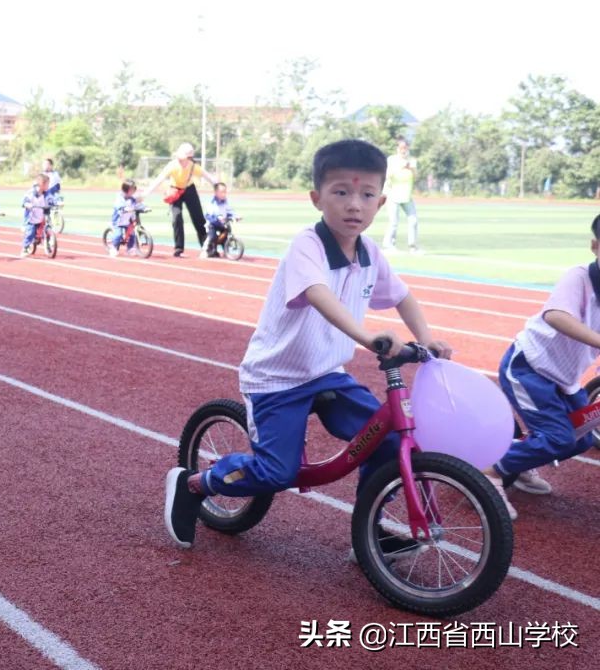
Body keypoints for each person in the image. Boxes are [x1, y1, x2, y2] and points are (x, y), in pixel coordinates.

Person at [163, 139, 453, 552]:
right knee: (277, 472)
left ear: (382, 201)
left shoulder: (370, 252)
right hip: (278, 378)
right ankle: (196, 483)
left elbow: (402, 295)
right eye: (341, 192)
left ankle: (368, 531)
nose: (354, 204)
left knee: (387, 439)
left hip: (327, 373)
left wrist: (426, 339)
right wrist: (368, 337)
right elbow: (319, 293)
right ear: (317, 198)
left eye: (367, 195)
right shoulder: (308, 246)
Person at [487, 214, 600, 519]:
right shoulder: (580, 278)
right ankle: (490, 472)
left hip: (565, 378)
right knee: (558, 437)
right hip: (529, 367)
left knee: (582, 436)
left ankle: (518, 461)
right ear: (595, 246)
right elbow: (555, 316)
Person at [143, 142, 219, 257]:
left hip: (189, 190)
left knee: (198, 218)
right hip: (175, 191)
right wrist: (145, 194)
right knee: (176, 216)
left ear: (189, 158)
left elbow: (209, 177)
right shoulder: (172, 165)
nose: (180, 160)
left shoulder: (193, 167)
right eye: (179, 157)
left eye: (182, 158)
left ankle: (207, 246)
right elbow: (159, 179)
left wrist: (219, 187)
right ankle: (179, 247)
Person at [382, 138, 420, 254]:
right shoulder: (392, 160)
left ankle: (412, 245)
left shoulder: (412, 160)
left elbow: (416, 177)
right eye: (401, 148)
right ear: (398, 148)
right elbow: (387, 175)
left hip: (406, 195)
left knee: (413, 220)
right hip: (393, 194)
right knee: (394, 222)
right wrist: (400, 167)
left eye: (405, 148)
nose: (403, 150)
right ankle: (388, 244)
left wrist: (411, 169)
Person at [107, 179, 145, 257]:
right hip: (119, 221)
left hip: (128, 220)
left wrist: (144, 208)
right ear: (126, 189)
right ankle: (113, 248)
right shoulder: (120, 198)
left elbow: (137, 205)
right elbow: (118, 206)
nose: (133, 191)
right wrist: (124, 208)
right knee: (118, 235)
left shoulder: (132, 199)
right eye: (131, 189)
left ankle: (130, 249)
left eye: (134, 189)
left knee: (132, 234)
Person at [200, 182, 238, 259]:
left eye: (225, 192)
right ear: (216, 192)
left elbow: (229, 210)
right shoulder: (212, 202)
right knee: (212, 236)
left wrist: (235, 216)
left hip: (222, 223)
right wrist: (217, 217)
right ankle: (205, 250)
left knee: (227, 233)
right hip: (213, 223)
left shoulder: (225, 202)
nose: (224, 194)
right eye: (222, 192)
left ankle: (226, 250)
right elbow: (209, 213)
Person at [21, 173, 49, 256]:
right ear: (41, 184)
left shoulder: (46, 193)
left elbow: (51, 199)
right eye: (47, 184)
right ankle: (25, 248)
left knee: (45, 228)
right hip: (32, 217)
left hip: (41, 216)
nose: (48, 186)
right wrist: (27, 204)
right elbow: (25, 200)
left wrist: (56, 202)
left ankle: (47, 241)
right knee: (30, 232)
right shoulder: (31, 193)